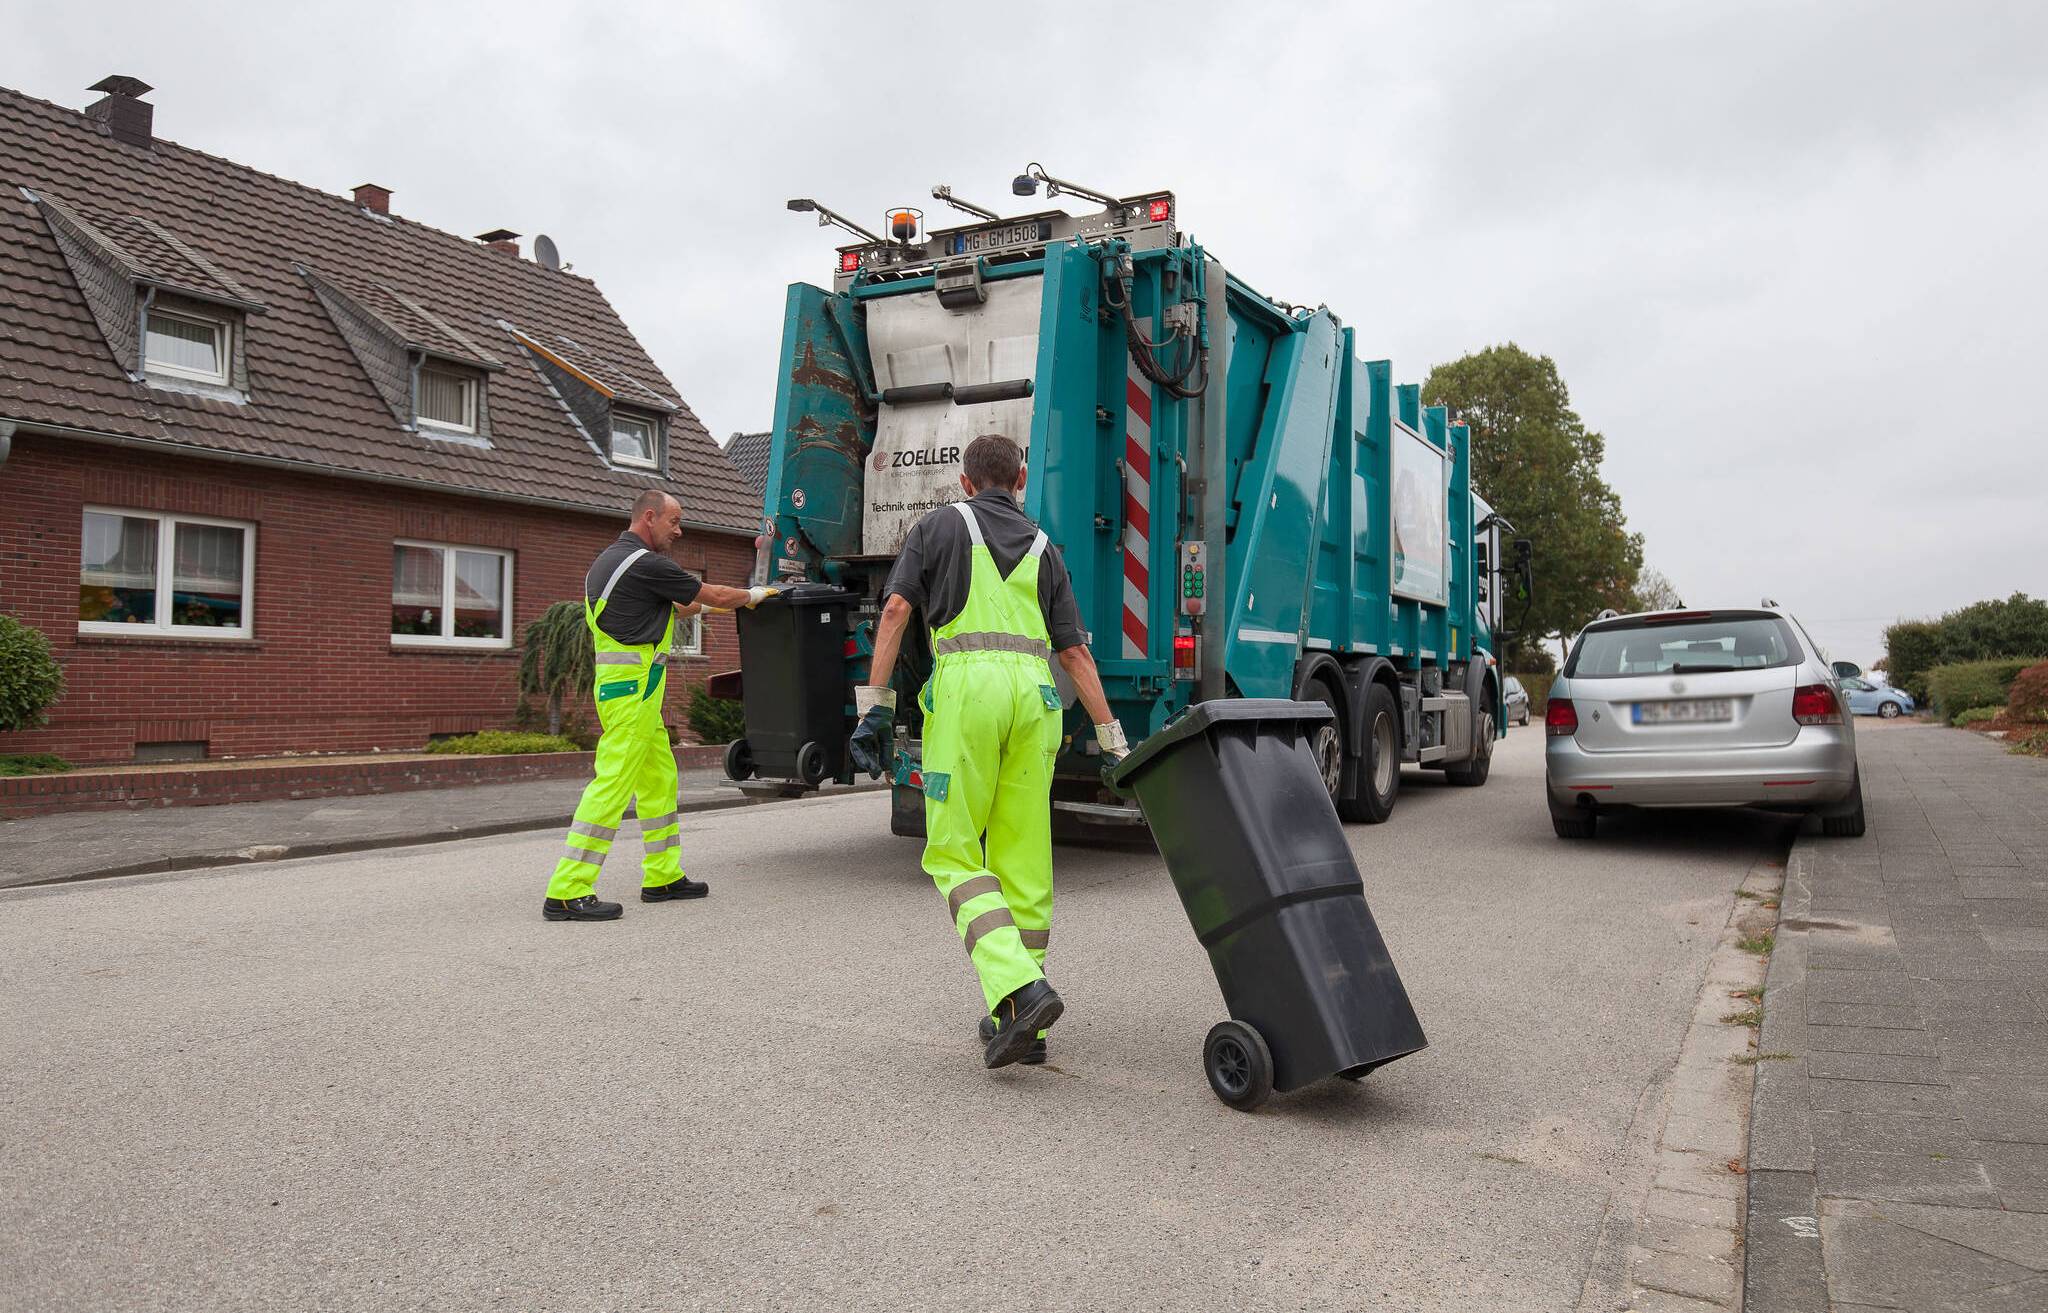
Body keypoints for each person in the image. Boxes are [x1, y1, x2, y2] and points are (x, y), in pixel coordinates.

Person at [849, 434, 1128, 1069]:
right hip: (1036, 701)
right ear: (1020, 478)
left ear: (967, 482)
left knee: (951, 852)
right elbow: (1075, 653)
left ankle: (1023, 989)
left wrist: (874, 707)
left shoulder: (938, 526)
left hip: (969, 693)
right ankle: (1020, 1022)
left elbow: (894, 611)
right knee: (1023, 860)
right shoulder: (1044, 545)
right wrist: (1114, 741)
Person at [542, 489, 775, 922]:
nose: (679, 529)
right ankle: (568, 890)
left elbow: (679, 608)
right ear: (649, 517)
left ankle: (663, 876)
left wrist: (725, 606)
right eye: (674, 521)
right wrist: (754, 595)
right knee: (612, 785)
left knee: (659, 780)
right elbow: (711, 595)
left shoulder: (611, 561)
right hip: (632, 694)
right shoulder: (645, 563)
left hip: (631, 692)